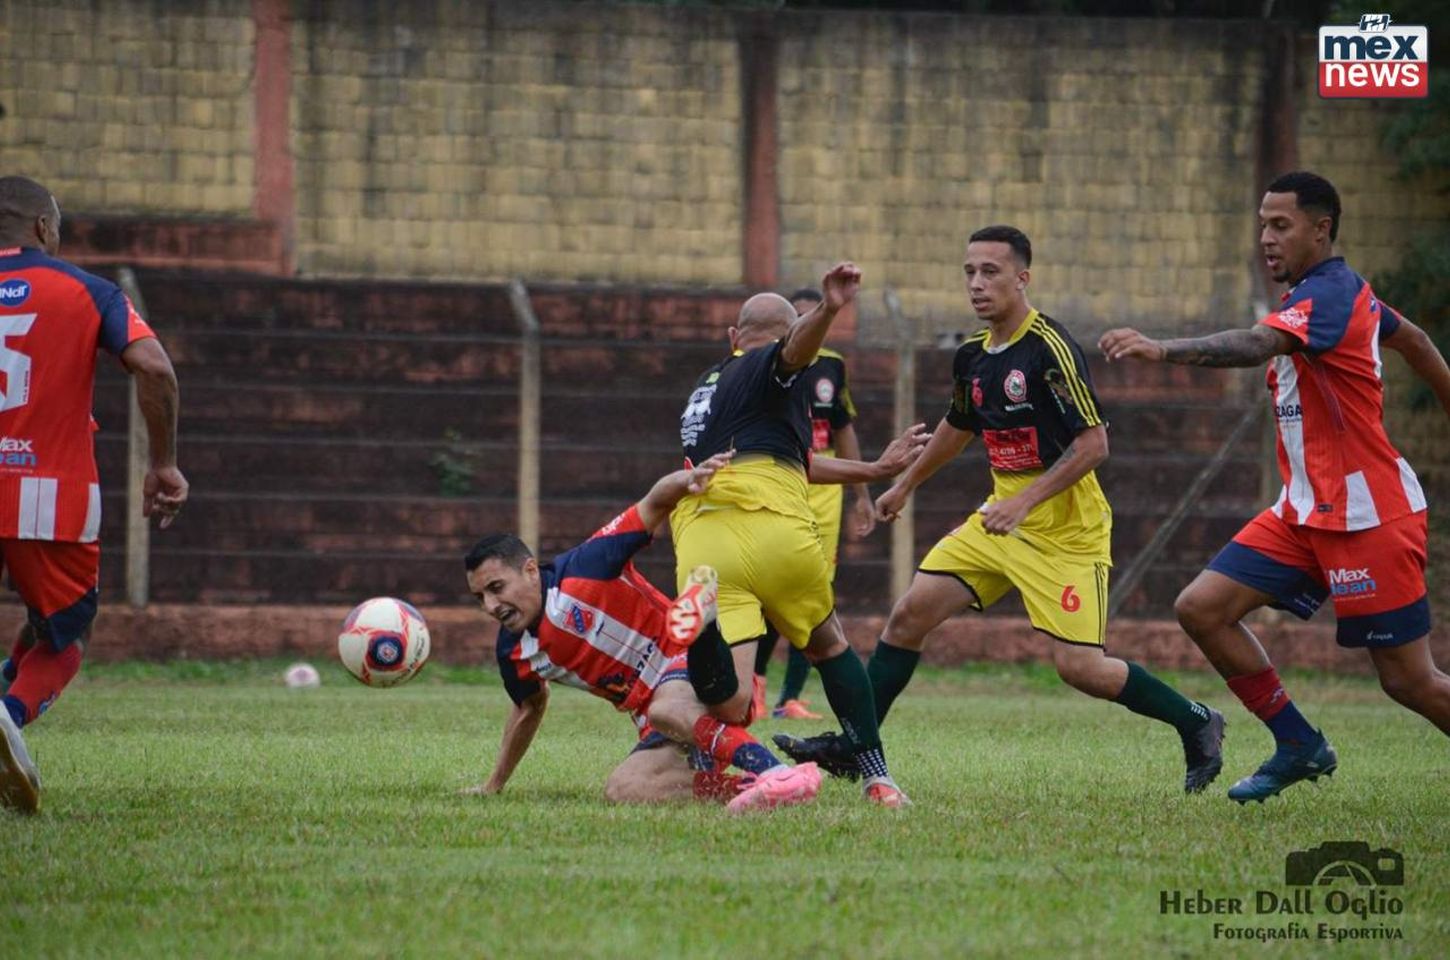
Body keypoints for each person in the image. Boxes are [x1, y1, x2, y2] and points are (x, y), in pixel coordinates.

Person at [777, 226, 1225, 794]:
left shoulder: (1050, 347)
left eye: (990, 272)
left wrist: (1024, 502)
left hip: (1066, 526)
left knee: (1080, 668)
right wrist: (905, 484)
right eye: (969, 272)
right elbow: (958, 426)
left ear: (1022, 278)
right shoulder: (972, 355)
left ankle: (1197, 721)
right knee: (909, 615)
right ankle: (854, 745)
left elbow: (1094, 445)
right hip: (998, 516)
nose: (977, 284)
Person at [1099, 171, 1450, 802]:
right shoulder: (1337, 295)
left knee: (1409, 682)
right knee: (1202, 608)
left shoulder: (1331, 295)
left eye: (1281, 225)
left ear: (1322, 229)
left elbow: (1256, 344)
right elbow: (1415, 341)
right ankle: (1298, 744)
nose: (1266, 237)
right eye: (1262, 224)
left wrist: (1164, 350)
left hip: (1368, 516)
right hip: (1303, 513)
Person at [673, 261, 926, 807]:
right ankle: (878, 778)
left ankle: (704, 634)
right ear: (778, 336)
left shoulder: (707, 387)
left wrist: (876, 471)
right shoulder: (773, 365)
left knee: (734, 700)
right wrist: (830, 309)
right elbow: (793, 354)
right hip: (774, 525)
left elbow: (802, 459)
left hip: (702, 536)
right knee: (830, 645)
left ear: (732, 336)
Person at [462, 452, 824, 813]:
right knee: (626, 789)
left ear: (528, 570)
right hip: (661, 718)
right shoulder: (514, 652)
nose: (491, 605)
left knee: (666, 708)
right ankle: (754, 789)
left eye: (497, 587)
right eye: (481, 597)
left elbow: (654, 501)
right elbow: (528, 707)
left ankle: (776, 771)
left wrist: (689, 480)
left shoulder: (586, 566)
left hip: (694, 665)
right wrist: (493, 785)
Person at [0, 176, 187, 814]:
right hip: (49, 492)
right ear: (45, 230)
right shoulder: (85, 289)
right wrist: (161, 463)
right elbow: (154, 365)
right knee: (66, 634)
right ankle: (7, 715)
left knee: (40, 623)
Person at [751, 286, 877, 722]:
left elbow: (842, 427)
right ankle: (755, 688)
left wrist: (862, 494)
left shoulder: (831, 367)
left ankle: (791, 699)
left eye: (817, 319)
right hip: (779, 473)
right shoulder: (764, 368)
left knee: (816, 590)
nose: (809, 327)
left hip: (825, 487)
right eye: (801, 320)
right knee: (766, 587)